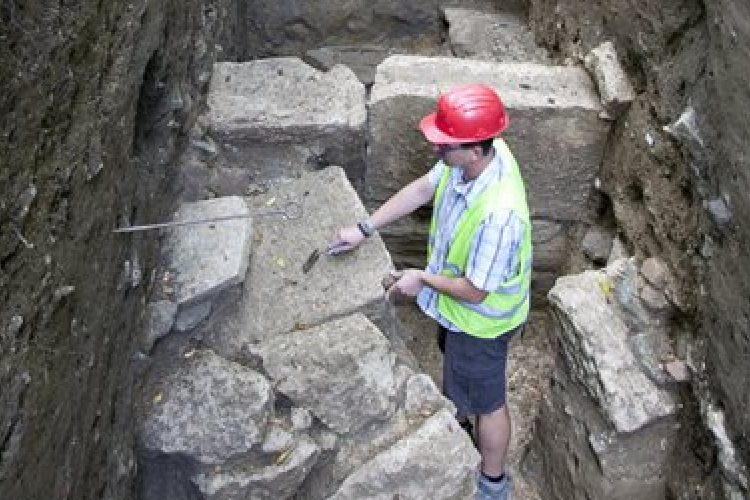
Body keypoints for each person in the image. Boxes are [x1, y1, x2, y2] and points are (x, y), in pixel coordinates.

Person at [330, 84, 532, 500]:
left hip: (480, 324)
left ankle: (492, 485)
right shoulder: (476, 158)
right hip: (459, 316)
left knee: (489, 402)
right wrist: (364, 229)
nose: (437, 150)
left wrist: (420, 279)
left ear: (474, 151)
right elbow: (423, 189)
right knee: (461, 380)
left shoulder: (498, 216)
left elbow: (475, 291)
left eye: (445, 145)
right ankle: (458, 416)